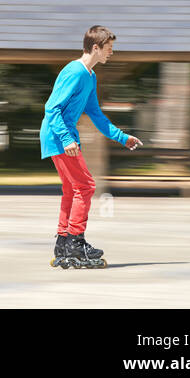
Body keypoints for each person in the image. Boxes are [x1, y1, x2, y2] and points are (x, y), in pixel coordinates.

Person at [42, 25, 142, 269]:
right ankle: (76, 241)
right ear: (95, 48)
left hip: (59, 137)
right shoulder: (74, 71)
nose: (111, 53)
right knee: (86, 186)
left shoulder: (90, 76)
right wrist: (67, 139)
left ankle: (63, 242)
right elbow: (51, 108)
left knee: (72, 188)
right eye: (109, 49)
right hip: (58, 137)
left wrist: (122, 137)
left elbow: (95, 114)